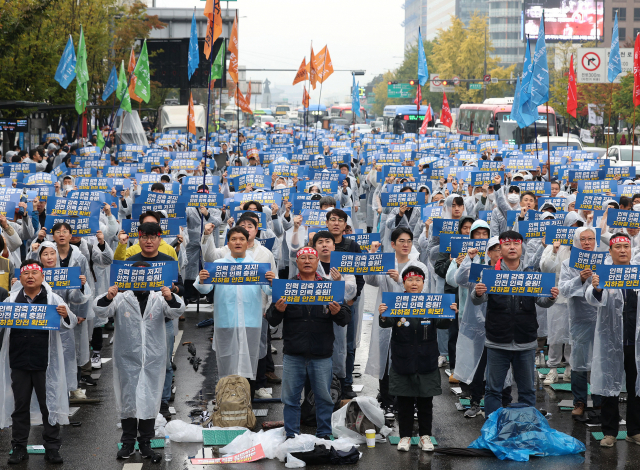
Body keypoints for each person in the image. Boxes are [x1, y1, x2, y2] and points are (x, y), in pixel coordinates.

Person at [93, 261, 185, 460]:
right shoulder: (120, 298)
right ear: (129, 276)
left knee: (150, 399)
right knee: (128, 399)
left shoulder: (159, 298)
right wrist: (108, 296)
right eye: (137, 274)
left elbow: (177, 310)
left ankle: (145, 443)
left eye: (145, 274)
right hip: (127, 359)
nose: (141, 278)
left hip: (153, 359)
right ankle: (127, 442)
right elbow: (101, 311)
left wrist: (170, 296)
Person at [471, 231, 559, 416]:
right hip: (497, 340)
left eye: (516, 244)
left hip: (525, 341)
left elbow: (541, 301)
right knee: (493, 390)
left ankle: (527, 431)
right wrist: (477, 293)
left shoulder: (530, 273)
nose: (512, 247)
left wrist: (551, 297)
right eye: (507, 244)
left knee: (527, 391)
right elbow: (478, 300)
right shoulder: (490, 273)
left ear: (521, 247)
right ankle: (493, 430)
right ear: (500, 248)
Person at [266, 247, 351, 439]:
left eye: (311, 258)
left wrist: (338, 312)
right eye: (302, 258)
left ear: (317, 261)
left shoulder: (329, 287)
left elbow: (345, 319)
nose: (306, 261)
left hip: (321, 354)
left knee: (324, 398)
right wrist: (278, 310)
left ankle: (324, 435)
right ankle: (292, 436)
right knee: (290, 399)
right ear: (296, 262)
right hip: (293, 354)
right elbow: (272, 320)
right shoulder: (287, 287)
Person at [0, 260, 77, 465]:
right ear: (21, 278)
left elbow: (70, 324)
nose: (31, 276)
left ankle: (52, 447)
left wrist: (65, 314)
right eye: (26, 274)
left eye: (35, 272)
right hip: (19, 361)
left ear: (42, 276)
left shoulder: (53, 298)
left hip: (46, 362)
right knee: (20, 406)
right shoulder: (10, 301)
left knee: (48, 405)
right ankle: (18, 447)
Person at [379, 266, 454, 452]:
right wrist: (382, 314)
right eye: (410, 280)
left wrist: (451, 313)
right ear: (404, 283)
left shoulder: (432, 302)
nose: (414, 283)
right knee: (404, 402)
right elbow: (386, 323)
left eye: (418, 280)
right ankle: (404, 436)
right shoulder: (397, 302)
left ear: (423, 283)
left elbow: (442, 323)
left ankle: (425, 436)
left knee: (425, 403)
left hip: (426, 360)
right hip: (402, 360)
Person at [195, 226, 275, 396]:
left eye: (242, 239)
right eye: (233, 239)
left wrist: (272, 282)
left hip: (250, 321)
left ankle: (246, 406)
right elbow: (204, 289)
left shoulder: (257, 267)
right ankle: (228, 404)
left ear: (248, 243)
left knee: (249, 362)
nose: (238, 242)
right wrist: (202, 279)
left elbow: (269, 292)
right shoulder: (218, 265)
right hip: (226, 321)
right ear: (228, 244)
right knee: (227, 363)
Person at [586, 233, 640, 447]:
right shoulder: (604, 273)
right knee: (609, 386)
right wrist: (597, 288)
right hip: (611, 340)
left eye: (626, 246)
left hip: (635, 342)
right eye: (618, 247)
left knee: (636, 386)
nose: (623, 250)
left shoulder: (637, 273)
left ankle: (634, 430)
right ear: (610, 251)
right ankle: (609, 432)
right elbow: (592, 298)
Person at [558, 226, 601, 417]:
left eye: (590, 239)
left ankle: (600, 402)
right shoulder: (568, 264)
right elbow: (564, 290)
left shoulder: (604, 261)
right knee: (579, 361)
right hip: (580, 318)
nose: (587, 243)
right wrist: (580, 279)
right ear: (576, 242)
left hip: (603, 319)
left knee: (602, 361)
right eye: (582, 239)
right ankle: (580, 401)